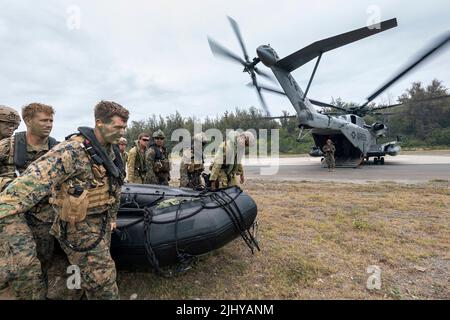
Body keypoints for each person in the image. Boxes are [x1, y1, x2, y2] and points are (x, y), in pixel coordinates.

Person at [0, 100, 129, 300]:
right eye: (118, 126)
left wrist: (112, 217)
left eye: (125, 126)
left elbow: (115, 186)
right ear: (100, 123)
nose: (123, 131)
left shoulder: (112, 152)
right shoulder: (70, 151)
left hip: (99, 221)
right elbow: (31, 182)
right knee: (102, 280)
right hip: (76, 224)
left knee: (94, 276)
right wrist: (5, 208)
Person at [0, 103, 59, 298]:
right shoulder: (8, 146)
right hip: (13, 215)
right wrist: (11, 184)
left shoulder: (56, 149)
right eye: (44, 120)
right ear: (28, 121)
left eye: (51, 120)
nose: (49, 124)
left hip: (45, 216)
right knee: (22, 263)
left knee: (43, 260)